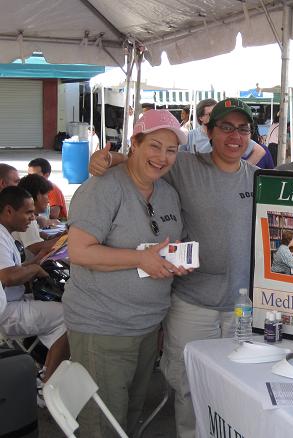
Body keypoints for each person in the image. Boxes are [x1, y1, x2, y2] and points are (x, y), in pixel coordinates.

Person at [89, 98, 257, 437]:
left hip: (243, 306)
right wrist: (107, 158)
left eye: (242, 129)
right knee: (188, 387)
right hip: (191, 304)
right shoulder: (185, 165)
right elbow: (146, 159)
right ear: (208, 132)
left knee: (236, 390)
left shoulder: (259, 179)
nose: (234, 136)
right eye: (226, 127)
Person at [63, 109, 188, 437]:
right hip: (103, 327)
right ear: (135, 142)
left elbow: (160, 247)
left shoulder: (167, 192)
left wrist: (173, 260)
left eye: (171, 150)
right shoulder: (103, 188)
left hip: (146, 327)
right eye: (154, 146)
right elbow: (79, 251)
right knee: (102, 425)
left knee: (129, 419)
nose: (162, 157)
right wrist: (139, 259)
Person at [0, 186, 69, 384]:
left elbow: (13, 270)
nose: (33, 218)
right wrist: (36, 269)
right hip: (7, 311)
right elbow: (7, 277)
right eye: (28, 212)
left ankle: (46, 368)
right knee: (70, 315)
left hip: (13, 301)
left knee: (61, 304)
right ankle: (48, 381)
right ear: (9, 211)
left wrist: (36, 261)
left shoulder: (6, 233)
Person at [181, 98, 265, 166]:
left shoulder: (232, 136)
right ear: (200, 117)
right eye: (211, 114)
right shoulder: (190, 136)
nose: (216, 116)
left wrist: (243, 169)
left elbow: (259, 151)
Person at [15, 175, 61, 257]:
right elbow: (36, 248)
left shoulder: (24, 215)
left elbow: (39, 235)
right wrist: (67, 239)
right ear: (38, 195)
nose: (48, 200)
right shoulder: (27, 219)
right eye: (46, 195)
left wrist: (59, 236)